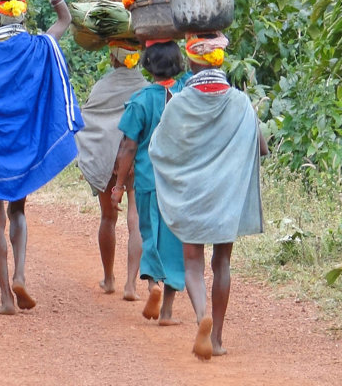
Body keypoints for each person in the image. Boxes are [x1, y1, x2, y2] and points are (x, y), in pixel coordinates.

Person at [0, 0, 83, 315]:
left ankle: (6, 297)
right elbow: (65, 18)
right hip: (25, 145)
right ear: (22, 14)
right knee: (18, 210)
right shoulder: (39, 47)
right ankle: (20, 273)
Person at [148, 31, 268, 360]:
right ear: (219, 61)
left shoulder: (179, 102)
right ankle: (215, 339)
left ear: (191, 62)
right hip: (226, 198)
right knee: (222, 263)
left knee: (192, 263)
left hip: (191, 197)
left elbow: (158, 148)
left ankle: (202, 315)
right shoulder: (241, 103)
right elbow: (261, 147)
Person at [112, 40, 186, 325]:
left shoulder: (140, 101)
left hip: (147, 180)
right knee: (174, 242)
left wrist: (119, 186)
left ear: (147, 66)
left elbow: (128, 147)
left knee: (149, 234)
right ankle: (166, 311)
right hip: (179, 181)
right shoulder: (185, 94)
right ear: (178, 64)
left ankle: (152, 284)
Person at [76, 40, 146, 300]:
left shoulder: (101, 87)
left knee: (108, 217)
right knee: (135, 219)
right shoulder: (146, 88)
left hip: (107, 161)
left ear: (114, 59)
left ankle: (108, 279)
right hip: (136, 161)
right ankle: (131, 285)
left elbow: (88, 121)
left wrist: (107, 154)